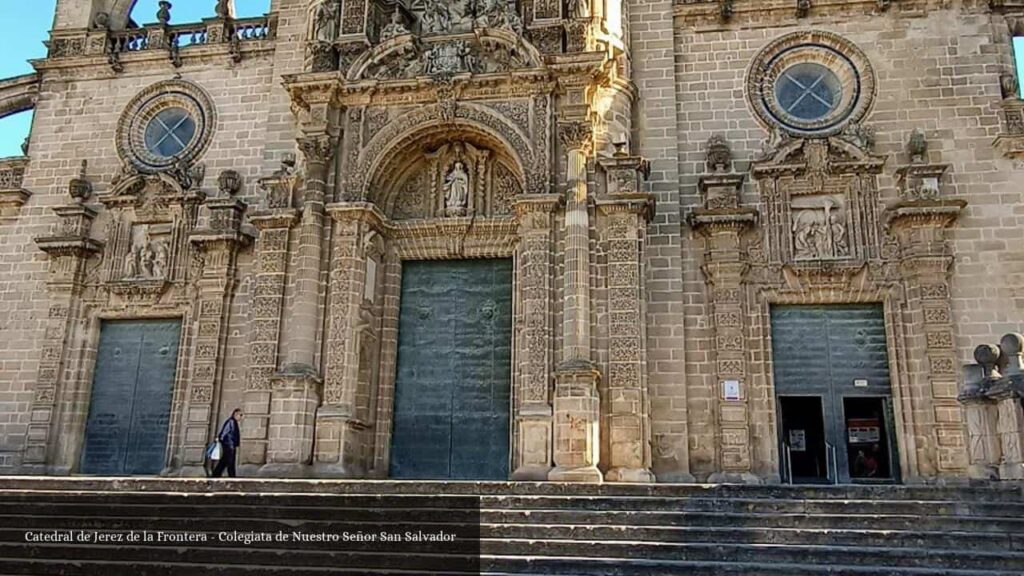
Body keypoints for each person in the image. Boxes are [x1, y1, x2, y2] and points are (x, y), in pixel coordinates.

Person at [212, 408, 243, 478]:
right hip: (229, 444)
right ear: (236, 414)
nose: (241, 417)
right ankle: (232, 477)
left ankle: (216, 474)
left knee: (224, 461)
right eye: (240, 415)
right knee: (230, 462)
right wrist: (221, 440)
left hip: (230, 444)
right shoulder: (231, 422)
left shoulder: (232, 422)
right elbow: (225, 432)